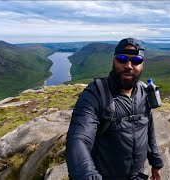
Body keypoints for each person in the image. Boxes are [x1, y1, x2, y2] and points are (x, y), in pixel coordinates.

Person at [66, 38, 163, 180]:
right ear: (114, 61)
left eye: (136, 61)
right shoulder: (95, 94)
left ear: (142, 64)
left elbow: (148, 129)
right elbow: (79, 140)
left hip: (138, 175)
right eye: (122, 59)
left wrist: (156, 163)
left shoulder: (144, 92)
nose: (129, 65)